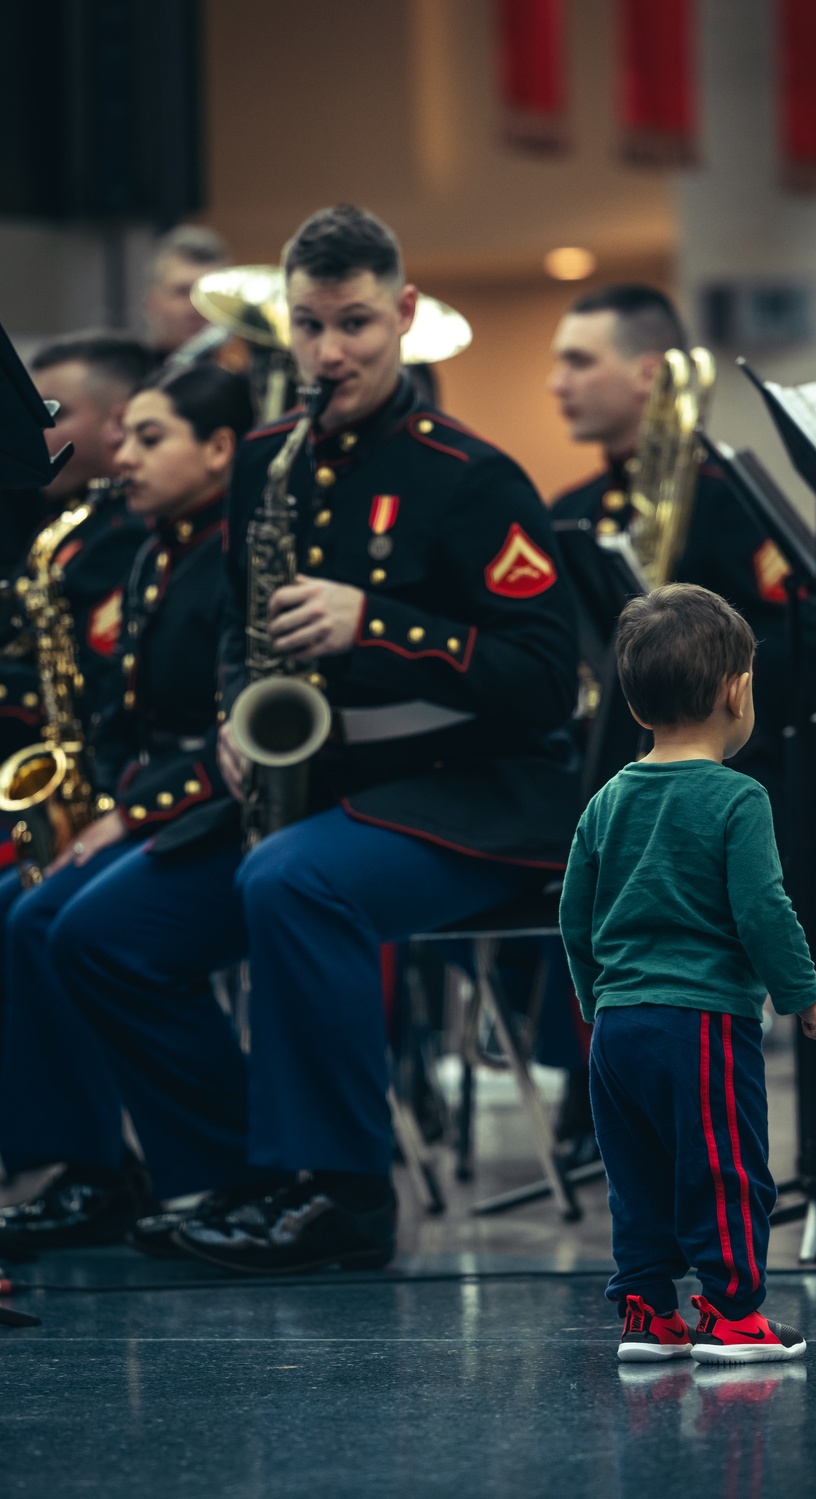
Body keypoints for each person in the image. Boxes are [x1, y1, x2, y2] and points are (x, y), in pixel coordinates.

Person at [0, 205, 580, 1270]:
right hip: (318, 782)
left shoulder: (471, 475)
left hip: (468, 787)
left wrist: (380, 622)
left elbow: (547, 682)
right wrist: (234, 707)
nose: (330, 352)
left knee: (291, 881)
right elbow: (236, 623)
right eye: (309, 326)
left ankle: (344, 1193)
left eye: (355, 322)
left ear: (402, 313)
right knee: (93, 933)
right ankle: (236, 1176)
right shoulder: (268, 459)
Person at [0, 364, 254, 1244]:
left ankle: (216, 1165)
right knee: (23, 908)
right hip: (160, 803)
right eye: (129, 436)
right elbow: (124, 717)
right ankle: (83, 1163)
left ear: (220, 449)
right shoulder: (158, 550)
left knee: (76, 927)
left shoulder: (237, 552)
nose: (125, 455)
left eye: (152, 438)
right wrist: (105, 797)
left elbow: (231, 733)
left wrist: (131, 812)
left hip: (233, 811)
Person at [559, 583, 816, 1365]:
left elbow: (574, 916)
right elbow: (764, 910)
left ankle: (648, 1313)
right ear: (736, 691)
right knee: (725, 1168)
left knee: (636, 1173)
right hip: (701, 1019)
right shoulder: (738, 797)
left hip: (615, 1027)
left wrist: (596, 1002)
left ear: (638, 706)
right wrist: (803, 994)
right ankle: (733, 1314)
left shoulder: (607, 800)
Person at [548, 283, 792, 810]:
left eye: (579, 362)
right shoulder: (569, 510)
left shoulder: (726, 501)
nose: (556, 383)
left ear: (649, 374)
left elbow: (782, 656)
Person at [0, 333, 155, 779]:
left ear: (120, 421)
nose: (29, 429)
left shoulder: (129, 534)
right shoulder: (66, 517)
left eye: (53, 412)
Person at [143, 225, 231, 361]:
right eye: (182, 292)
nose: (195, 308)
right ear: (152, 302)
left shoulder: (245, 380)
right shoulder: (128, 379)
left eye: (208, 295)